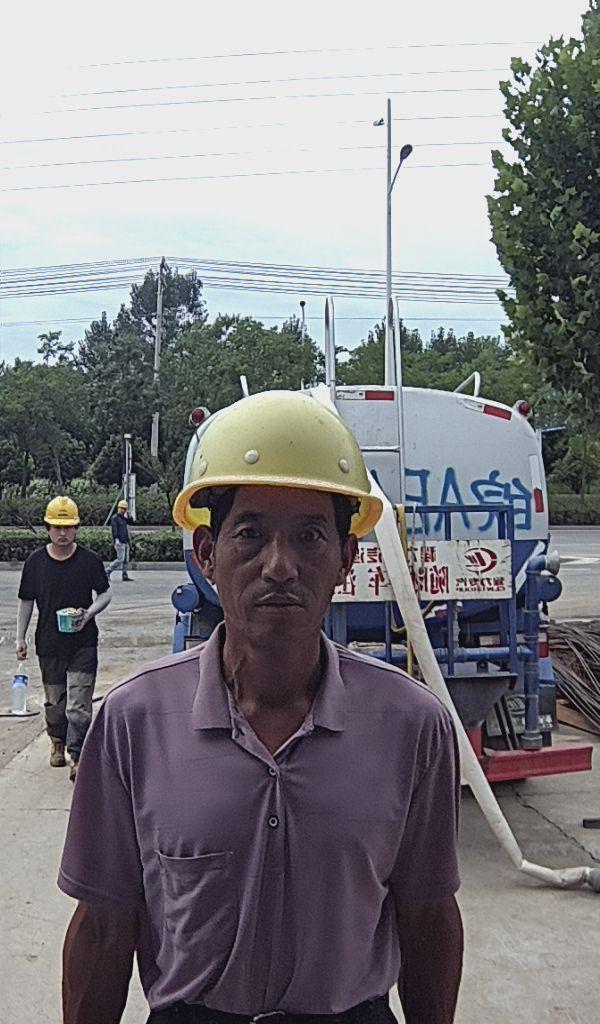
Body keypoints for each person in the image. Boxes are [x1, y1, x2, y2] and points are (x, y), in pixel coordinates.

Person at [59, 392, 463, 1024]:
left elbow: (428, 918)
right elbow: (103, 929)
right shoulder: (134, 722)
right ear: (206, 553)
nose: (279, 566)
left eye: (310, 537)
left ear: (346, 559)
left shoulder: (412, 726)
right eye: (250, 534)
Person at [16, 496, 111, 782]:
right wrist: (20, 639)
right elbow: (26, 601)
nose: (62, 533)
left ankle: (78, 757)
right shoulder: (35, 563)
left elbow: (105, 594)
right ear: (47, 528)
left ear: (76, 528)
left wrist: (89, 613)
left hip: (83, 643)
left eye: (68, 527)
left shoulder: (89, 560)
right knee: (55, 706)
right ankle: (57, 740)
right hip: (49, 644)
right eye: (57, 527)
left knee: (78, 706)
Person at [107, 499, 132, 581]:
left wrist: (128, 516)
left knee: (126, 560)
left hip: (125, 540)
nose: (123, 510)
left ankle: (125, 575)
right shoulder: (115, 518)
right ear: (118, 508)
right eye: (121, 508)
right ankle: (107, 571)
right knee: (120, 559)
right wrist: (116, 539)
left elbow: (131, 522)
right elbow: (114, 529)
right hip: (120, 541)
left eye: (124, 509)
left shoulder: (124, 518)